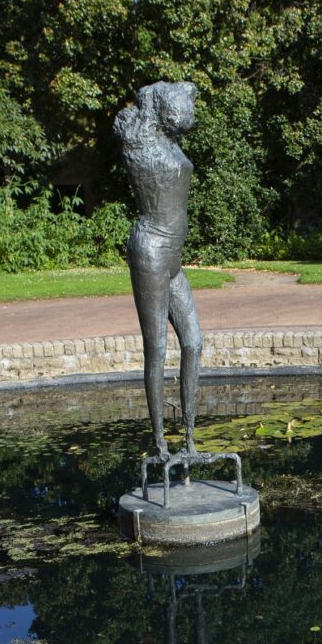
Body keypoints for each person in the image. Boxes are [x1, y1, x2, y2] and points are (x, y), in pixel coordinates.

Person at [115, 81, 202, 461]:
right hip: (150, 250)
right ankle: (160, 443)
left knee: (194, 343)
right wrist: (151, 99)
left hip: (173, 259)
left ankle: (190, 439)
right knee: (157, 350)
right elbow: (129, 122)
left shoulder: (169, 144)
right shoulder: (141, 141)